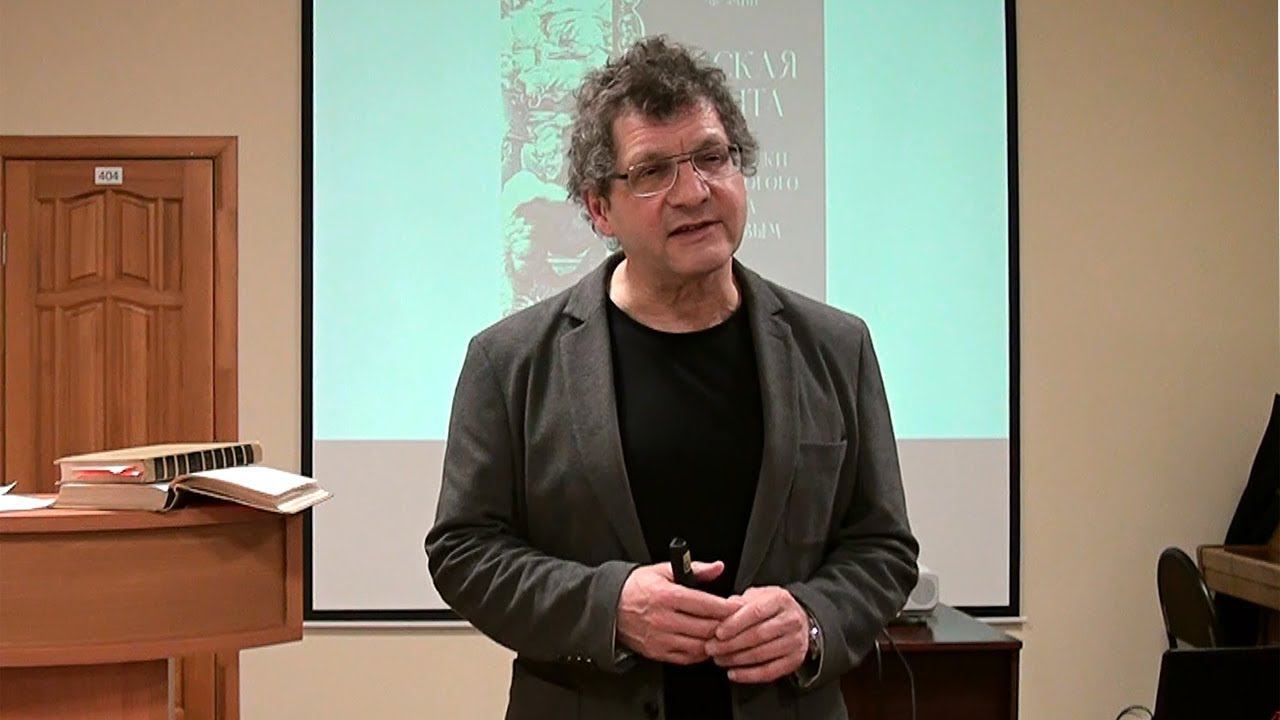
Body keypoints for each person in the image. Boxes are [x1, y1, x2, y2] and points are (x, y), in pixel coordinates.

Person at [426, 36, 919, 720]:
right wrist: (610, 607)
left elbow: (883, 546)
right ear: (599, 208)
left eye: (712, 158)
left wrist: (812, 620)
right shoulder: (509, 361)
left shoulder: (837, 347)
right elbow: (464, 551)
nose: (694, 193)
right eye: (652, 171)